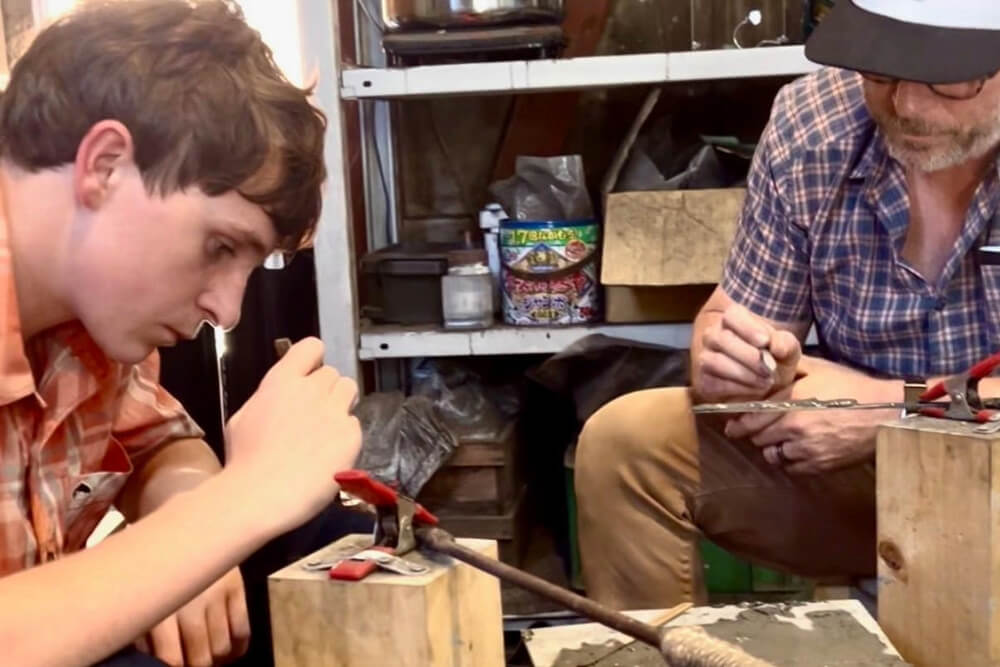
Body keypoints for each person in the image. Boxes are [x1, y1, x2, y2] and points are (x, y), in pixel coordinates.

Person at [575, 0, 1000, 610]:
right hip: (860, 476)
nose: (906, 106)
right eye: (879, 72)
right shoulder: (814, 123)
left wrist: (895, 412)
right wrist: (736, 361)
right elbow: (737, 320)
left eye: (947, 78)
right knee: (627, 446)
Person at [0, 1, 362, 665]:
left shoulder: (87, 327)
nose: (227, 310)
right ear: (104, 165)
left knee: (327, 537)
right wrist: (233, 507)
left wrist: (187, 512)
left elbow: (162, 446)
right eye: (220, 246)